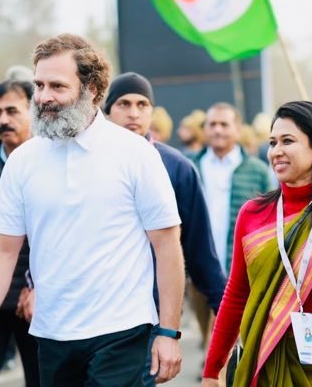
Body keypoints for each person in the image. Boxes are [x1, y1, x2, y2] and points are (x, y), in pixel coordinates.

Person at [0, 34, 185, 387]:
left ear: (92, 89)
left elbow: (166, 246)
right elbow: (3, 249)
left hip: (122, 332)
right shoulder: (23, 161)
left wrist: (168, 331)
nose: (43, 96)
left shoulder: (135, 154)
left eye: (57, 86)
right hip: (50, 334)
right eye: (39, 85)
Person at [201, 101, 312, 387]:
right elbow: (236, 295)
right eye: (272, 142)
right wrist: (211, 370)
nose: (276, 151)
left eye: (288, 141)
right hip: (264, 365)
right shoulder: (252, 214)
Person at [103, 71, 226, 387]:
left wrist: (225, 307)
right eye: (124, 104)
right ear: (107, 110)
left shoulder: (177, 167)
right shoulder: (89, 163)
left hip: (149, 314)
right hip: (95, 312)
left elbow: (199, 250)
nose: (134, 113)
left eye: (142, 104)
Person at [0, 79, 39, 386]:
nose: (3, 120)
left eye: (12, 111)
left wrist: (39, 285)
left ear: (33, 112)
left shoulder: (49, 162)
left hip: (37, 303)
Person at [192, 102, 272, 275]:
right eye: (212, 124)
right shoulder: (191, 167)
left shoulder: (257, 170)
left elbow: (272, 221)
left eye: (224, 124)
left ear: (238, 129)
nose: (217, 130)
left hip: (244, 270)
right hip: (199, 271)